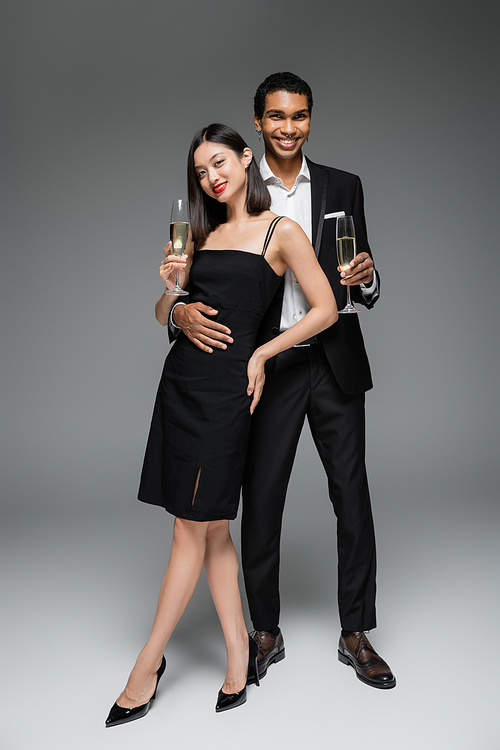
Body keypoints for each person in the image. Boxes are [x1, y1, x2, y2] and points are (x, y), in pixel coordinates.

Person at [105, 123, 337, 727]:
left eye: (220, 162)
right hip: (180, 385)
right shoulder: (199, 235)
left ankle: (146, 665)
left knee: (191, 525)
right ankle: (238, 647)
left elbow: (327, 308)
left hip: (227, 392)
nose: (213, 176)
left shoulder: (279, 233)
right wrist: (174, 300)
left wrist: (263, 353)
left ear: (243, 158)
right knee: (210, 528)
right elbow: (162, 312)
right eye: (202, 171)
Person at [170, 73, 396, 690]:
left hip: (337, 356)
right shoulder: (236, 193)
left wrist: (368, 277)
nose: (288, 127)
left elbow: (366, 288)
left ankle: (356, 632)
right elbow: (204, 286)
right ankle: (263, 631)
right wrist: (176, 303)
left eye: (298, 116)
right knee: (262, 499)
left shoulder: (343, 186)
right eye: (276, 117)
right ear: (258, 124)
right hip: (268, 365)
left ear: (310, 119)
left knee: (352, 497)